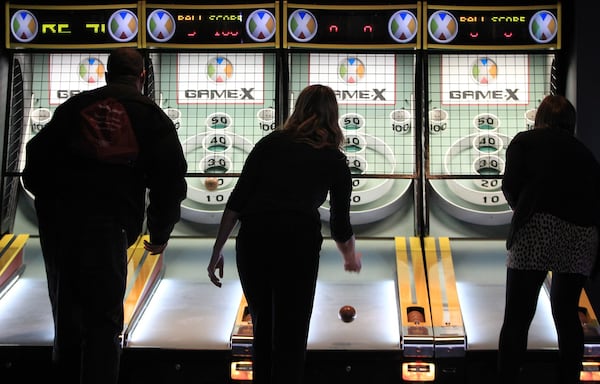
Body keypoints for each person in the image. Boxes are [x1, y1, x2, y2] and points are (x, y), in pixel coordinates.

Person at [22, 47, 187, 384]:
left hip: (61, 227)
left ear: (107, 74)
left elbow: (33, 165)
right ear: (142, 76)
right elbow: (169, 181)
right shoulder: (150, 115)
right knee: (103, 320)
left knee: (67, 318)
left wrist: (53, 207)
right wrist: (158, 232)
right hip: (107, 228)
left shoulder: (74, 107)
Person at [207, 84, 362, 384]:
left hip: (254, 244)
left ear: (299, 108)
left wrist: (217, 250)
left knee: (263, 331)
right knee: (291, 336)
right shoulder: (334, 159)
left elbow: (238, 200)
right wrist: (350, 256)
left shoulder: (270, 144)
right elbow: (341, 224)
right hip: (298, 247)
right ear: (333, 115)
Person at [498, 94, 600, 384]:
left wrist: (524, 208)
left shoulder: (524, 142)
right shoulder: (585, 153)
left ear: (540, 118)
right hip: (581, 235)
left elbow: (510, 187)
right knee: (567, 315)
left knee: (518, 317)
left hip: (537, 229)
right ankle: (568, 378)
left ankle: (508, 377)